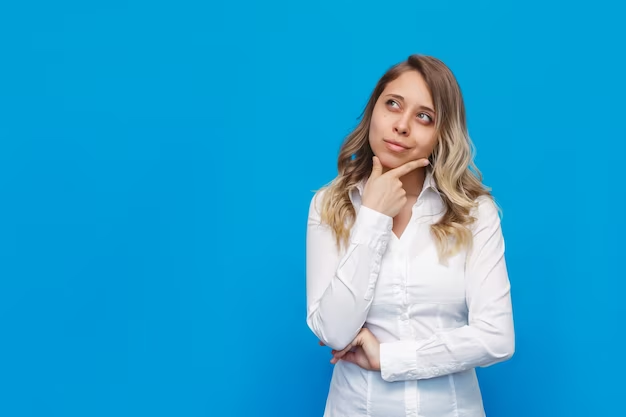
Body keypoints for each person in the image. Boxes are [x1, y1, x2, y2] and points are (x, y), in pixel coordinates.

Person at [305, 54, 515, 417]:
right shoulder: (330, 204)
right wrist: (371, 217)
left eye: (424, 117)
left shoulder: (473, 212)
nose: (402, 125)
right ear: (374, 111)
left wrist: (390, 357)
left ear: (441, 134)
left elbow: (497, 337)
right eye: (392, 105)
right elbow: (335, 332)